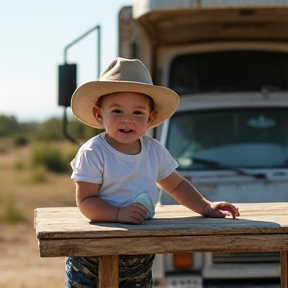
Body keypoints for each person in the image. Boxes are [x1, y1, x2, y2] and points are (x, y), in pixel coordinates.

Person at [65, 57, 240, 288]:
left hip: (139, 251)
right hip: (93, 253)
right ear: (99, 115)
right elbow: (86, 201)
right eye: (116, 111)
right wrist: (119, 214)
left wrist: (205, 206)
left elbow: (176, 186)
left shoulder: (153, 151)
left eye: (138, 113)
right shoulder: (93, 152)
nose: (127, 119)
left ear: (151, 117)